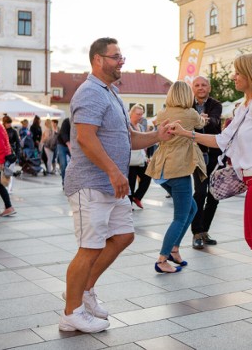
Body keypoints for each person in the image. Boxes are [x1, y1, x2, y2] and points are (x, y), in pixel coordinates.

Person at [167, 52, 252, 326]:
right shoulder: (245, 107)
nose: (233, 76)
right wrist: (186, 134)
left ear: (251, 75)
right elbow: (222, 140)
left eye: (238, 72)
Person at [61, 37, 172, 333]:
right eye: (116, 56)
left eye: (121, 56)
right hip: (91, 183)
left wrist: (159, 135)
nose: (121, 61)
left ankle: (84, 291)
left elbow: (129, 137)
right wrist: (113, 170)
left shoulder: (111, 93)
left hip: (113, 185)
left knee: (123, 236)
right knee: (89, 247)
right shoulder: (90, 92)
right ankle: (71, 312)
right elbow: (85, 137)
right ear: (98, 59)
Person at [146, 81, 206, 272]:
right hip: (178, 169)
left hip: (162, 169)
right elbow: (200, 124)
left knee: (192, 209)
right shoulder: (190, 114)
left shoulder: (163, 113)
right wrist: (203, 117)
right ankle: (162, 259)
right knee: (180, 217)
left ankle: (174, 249)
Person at [190, 76, 223, 249]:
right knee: (200, 193)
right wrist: (197, 120)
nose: (201, 88)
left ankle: (204, 231)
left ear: (209, 88)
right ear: (192, 88)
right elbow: (187, 126)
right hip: (197, 156)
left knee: (214, 195)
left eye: (204, 85)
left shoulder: (216, 105)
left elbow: (215, 122)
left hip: (216, 155)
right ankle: (196, 231)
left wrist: (203, 121)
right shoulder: (188, 105)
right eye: (197, 85)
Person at [128, 104, 151, 209]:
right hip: (130, 159)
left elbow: (143, 142)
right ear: (131, 113)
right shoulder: (127, 125)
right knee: (131, 182)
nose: (140, 116)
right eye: (138, 114)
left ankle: (137, 197)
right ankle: (129, 204)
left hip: (141, 158)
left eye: (141, 114)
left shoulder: (141, 126)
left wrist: (147, 156)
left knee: (148, 176)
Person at [2, 116, 22, 193]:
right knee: (4, 171)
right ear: (4, 123)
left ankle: (9, 188)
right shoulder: (2, 130)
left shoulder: (13, 131)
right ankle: (4, 187)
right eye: (8, 123)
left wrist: (17, 154)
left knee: (10, 171)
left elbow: (18, 143)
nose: (9, 124)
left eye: (10, 123)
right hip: (3, 153)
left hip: (11, 153)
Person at [56, 118, 71, 187]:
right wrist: (68, 144)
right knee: (63, 164)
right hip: (62, 144)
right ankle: (64, 182)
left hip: (71, 144)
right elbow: (63, 133)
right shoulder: (66, 121)